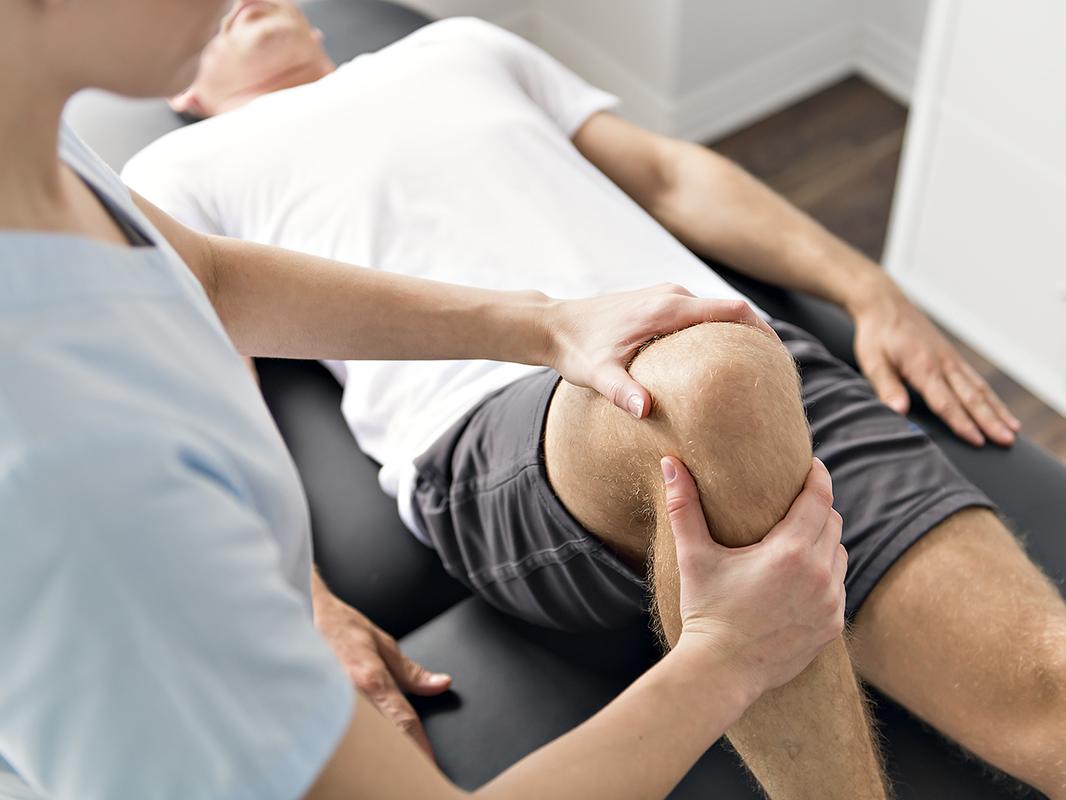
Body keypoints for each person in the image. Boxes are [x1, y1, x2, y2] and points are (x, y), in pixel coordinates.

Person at [122, 5, 1066, 798]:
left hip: (751, 363)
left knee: (1050, 695)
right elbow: (206, 389)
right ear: (180, 89)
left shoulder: (456, 47)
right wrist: (305, 600)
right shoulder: (176, 174)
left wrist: (869, 288)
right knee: (706, 380)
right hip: (504, 435)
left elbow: (669, 174)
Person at [0, 1, 847, 799]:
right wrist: (728, 658)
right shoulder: (71, 476)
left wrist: (546, 325)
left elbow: (210, 275)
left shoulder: (36, 148)